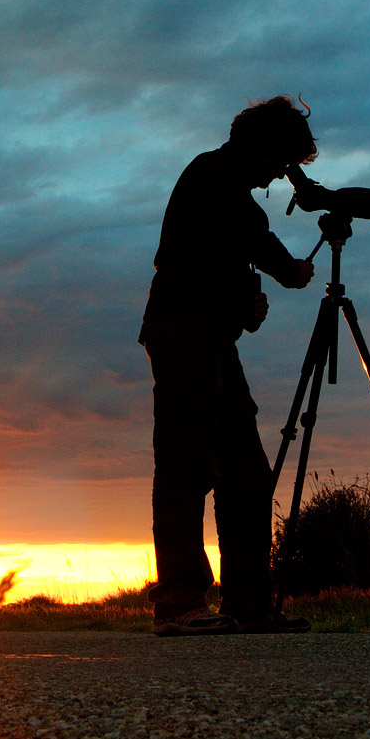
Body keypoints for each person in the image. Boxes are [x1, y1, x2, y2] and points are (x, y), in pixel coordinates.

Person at [139, 96, 318, 635]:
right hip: (184, 335)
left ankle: (247, 603)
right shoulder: (213, 175)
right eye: (281, 161)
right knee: (187, 465)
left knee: (245, 473)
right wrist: (287, 274)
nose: (279, 175)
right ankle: (179, 602)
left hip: (210, 338)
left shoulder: (224, 187)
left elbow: (225, 258)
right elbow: (249, 242)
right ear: (262, 146)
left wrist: (247, 301)